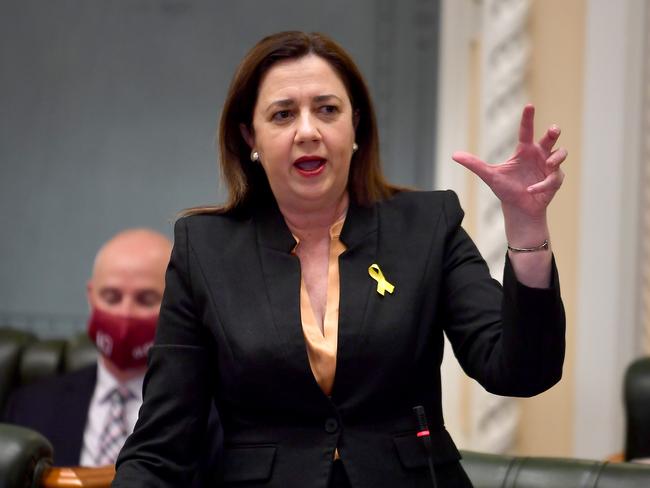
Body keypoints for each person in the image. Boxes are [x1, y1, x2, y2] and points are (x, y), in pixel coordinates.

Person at [112, 31, 567, 488]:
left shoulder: (427, 226)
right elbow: (161, 447)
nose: (307, 131)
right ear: (251, 136)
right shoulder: (205, 249)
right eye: (283, 114)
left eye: (327, 110)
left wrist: (527, 230)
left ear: (355, 128)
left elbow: (521, 371)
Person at [4, 228, 171, 466]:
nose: (125, 313)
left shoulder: (214, 416)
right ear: (91, 297)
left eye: (146, 299)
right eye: (111, 297)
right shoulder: (30, 405)